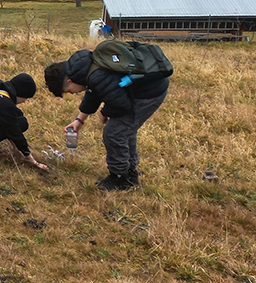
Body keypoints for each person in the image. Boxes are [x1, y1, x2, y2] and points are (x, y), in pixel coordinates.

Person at [44, 51, 170, 191]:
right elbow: (94, 92)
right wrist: (79, 120)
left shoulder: (95, 76)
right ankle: (129, 172)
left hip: (148, 93)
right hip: (143, 88)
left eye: (68, 91)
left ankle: (121, 178)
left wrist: (105, 112)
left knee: (115, 132)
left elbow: (121, 104)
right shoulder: (83, 67)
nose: (73, 93)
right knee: (123, 129)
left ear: (69, 81)